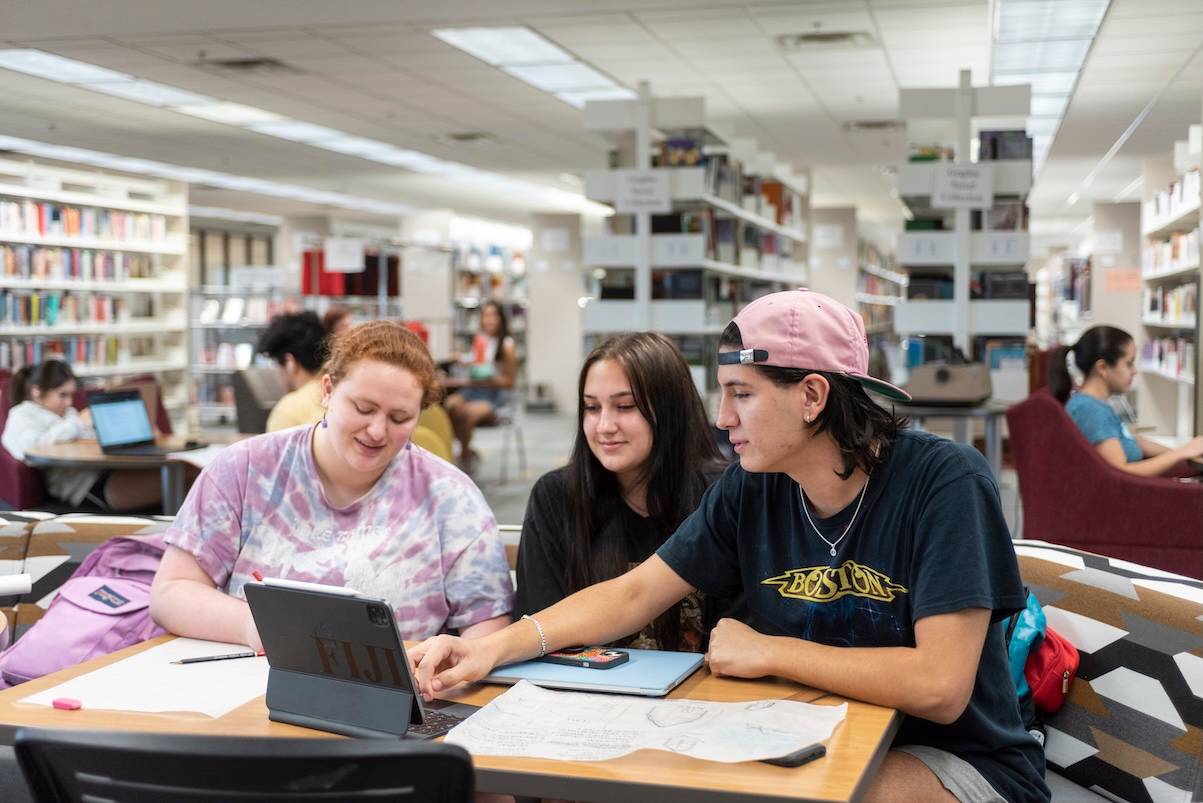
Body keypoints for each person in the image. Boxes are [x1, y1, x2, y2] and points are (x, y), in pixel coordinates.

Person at [413, 290, 1050, 803]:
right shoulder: (754, 487)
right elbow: (635, 593)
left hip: (958, 760)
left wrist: (769, 650)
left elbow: (939, 685)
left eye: (741, 394)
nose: (721, 418)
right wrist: (488, 648)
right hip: (810, 734)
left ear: (812, 396)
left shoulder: (944, 483)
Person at [150, 321, 514, 649]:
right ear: (327, 390)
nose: (377, 431)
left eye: (400, 418)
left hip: (398, 699)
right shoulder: (245, 469)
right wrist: (256, 626)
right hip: (253, 689)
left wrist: (456, 663)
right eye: (363, 408)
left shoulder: (451, 497)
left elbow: (488, 623)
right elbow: (172, 591)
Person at [514, 332, 739, 652]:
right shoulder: (556, 497)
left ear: (670, 410)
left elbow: (738, 638)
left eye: (625, 406)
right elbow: (538, 628)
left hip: (703, 695)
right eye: (591, 408)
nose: (604, 425)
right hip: (584, 693)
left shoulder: (723, 495)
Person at [2, 360, 160, 511]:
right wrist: (78, 423)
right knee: (178, 482)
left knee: (181, 474)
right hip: (87, 486)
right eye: (62, 395)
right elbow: (29, 449)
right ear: (36, 391)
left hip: (109, 470)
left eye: (71, 395)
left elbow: (85, 437)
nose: (69, 402)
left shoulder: (68, 414)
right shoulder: (22, 414)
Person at [1049, 325, 1203, 477]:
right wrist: (1181, 453)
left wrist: (1187, 455)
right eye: (1129, 363)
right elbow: (1120, 473)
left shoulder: (1092, 404)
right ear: (1102, 368)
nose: (1134, 371)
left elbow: (1135, 442)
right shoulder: (1090, 411)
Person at [444, 300, 518, 470]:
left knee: (463, 414)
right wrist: (463, 361)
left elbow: (510, 381)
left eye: (493, 315)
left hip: (493, 394)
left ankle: (464, 456)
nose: (489, 320)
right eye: (485, 315)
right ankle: (466, 452)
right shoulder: (480, 340)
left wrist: (489, 378)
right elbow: (476, 363)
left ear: (501, 319)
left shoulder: (507, 345)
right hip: (472, 389)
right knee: (450, 405)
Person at [257, 311, 327, 433]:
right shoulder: (339, 395)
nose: (276, 374)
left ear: (289, 362)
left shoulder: (289, 410)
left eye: (276, 365)